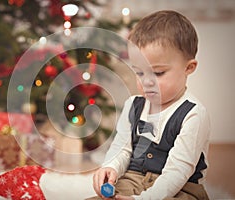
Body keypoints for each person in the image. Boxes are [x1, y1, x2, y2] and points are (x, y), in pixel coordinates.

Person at [88, 10, 210, 200]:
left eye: (158, 73)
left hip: (181, 188)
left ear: (188, 67)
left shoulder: (193, 114)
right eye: (139, 73)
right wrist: (111, 167)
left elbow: (177, 172)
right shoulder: (133, 106)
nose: (147, 82)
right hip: (133, 179)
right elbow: (122, 148)